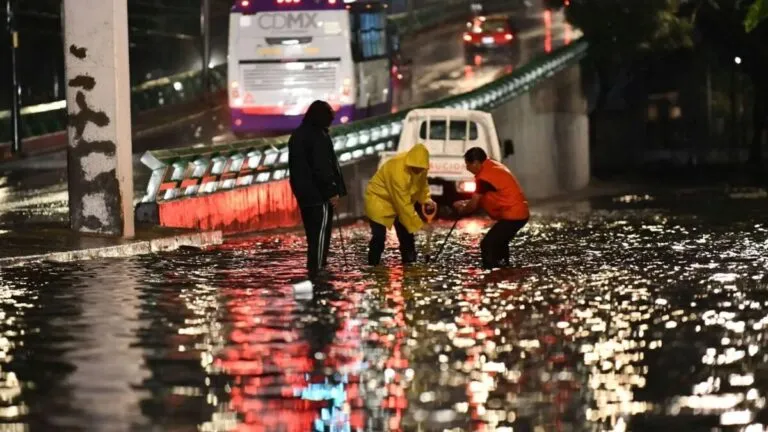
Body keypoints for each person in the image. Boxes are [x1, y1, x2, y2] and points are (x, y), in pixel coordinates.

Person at [288, 100, 347, 277]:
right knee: (321, 235)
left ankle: (313, 267)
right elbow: (322, 167)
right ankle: (318, 269)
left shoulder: (297, 135)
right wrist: (332, 192)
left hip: (303, 195)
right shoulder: (318, 136)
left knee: (312, 236)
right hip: (318, 195)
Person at [453, 147, 529, 269]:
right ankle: (504, 270)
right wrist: (465, 202)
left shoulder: (483, 177)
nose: (467, 168)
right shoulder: (492, 167)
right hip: (519, 213)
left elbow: (473, 205)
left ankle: (491, 273)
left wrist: (462, 210)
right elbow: (483, 198)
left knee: (488, 245)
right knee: (500, 243)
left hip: (513, 215)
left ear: (476, 163)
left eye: (468, 165)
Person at [365, 143, 437, 265]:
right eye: (415, 168)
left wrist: (426, 200)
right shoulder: (397, 169)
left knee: (407, 236)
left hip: (400, 203)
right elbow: (403, 205)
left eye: (421, 168)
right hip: (379, 201)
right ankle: (373, 266)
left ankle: (410, 265)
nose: (418, 170)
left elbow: (422, 186)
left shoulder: (422, 168)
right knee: (379, 237)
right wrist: (421, 225)